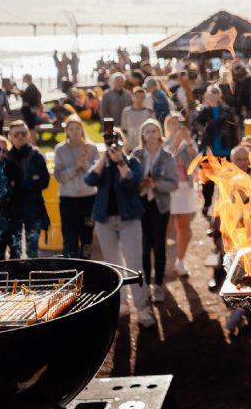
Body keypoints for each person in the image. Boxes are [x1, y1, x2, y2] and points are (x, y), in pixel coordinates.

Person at [84, 130, 153, 326]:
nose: (114, 148)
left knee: (134, 263)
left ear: (123, 145)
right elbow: (89, 180)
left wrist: (120, 161)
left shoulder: (132, 162)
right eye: (110, 144)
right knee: (114, 264)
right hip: (104, 220)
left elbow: (131, 183)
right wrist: (104, 157)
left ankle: (141, 308)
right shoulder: (101, 164)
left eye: (117, 144)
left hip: (129, 219)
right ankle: (122, 302)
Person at [131, 119, 179, 304]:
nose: (151, 134)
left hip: (160, 206)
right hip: (141, 204)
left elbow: (174, 183)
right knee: (144, 246)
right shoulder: (136, 154)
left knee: (159, 246)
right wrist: (140, 183)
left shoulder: (167, 157)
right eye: (147, 131)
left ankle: (158, 284)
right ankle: (144, 285)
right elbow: (129, 179)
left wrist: (155, 184)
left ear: (160, 133)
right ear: (142, 134)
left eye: (154, 131)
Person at [52, 115, 100, 260]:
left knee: (87, 238)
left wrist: (84, 164)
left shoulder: (91, 148)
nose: (74, 132)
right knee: (69, 238)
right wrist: (75, 167)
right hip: (68, 200)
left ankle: (87, 271)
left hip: (88, 199)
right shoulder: (60, 149)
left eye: (77, 128)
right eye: (71, 129)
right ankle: (70, 271)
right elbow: (58, 176)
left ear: (82, 129)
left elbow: (97, 174)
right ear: (66, 131)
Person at [3, 121, 51, 259]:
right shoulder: (6, 158)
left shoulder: (37, 155)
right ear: (10, 136)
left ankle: (33, 277)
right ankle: (16, 279)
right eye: (16, 134)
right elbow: (5, 185)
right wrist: (30, 180)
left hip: (34, 207)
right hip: (13, 209)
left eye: (23, 133)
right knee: (14, 249)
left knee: (32, 249)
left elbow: (45, 181)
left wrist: (16, 183)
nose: (20, 136)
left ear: (28, 135)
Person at [191, 85, 241, 215]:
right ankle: (207, 204)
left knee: (225, 181)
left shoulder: (226, 110)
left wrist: (235, 142)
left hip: (225, 150)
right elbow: (195, 125)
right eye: (210, 92)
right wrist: (203, 132)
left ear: (219, 95)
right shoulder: (203, 110)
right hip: (208, 151)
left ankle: (223, 206)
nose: (213, 95)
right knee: (207, 182)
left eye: (215, 92)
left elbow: (233, 127)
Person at [164, 114, 198, 277]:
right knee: (165, 228)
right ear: (167, 126)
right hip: (168, 190)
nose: (176, 127)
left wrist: (189, 142)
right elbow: (165, 160)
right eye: (172, 124)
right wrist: (176, 141)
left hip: (186, 188)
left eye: (178, 124)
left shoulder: (188, 142)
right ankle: (161, 260)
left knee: (183, 227)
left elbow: (195, 160)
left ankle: (181, 261)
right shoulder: (162, 143)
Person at [19, 74, 42, 143]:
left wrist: (21, 94)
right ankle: (31, 142)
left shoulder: (31, 87)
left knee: (31, 127)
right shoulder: (31, 87)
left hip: (30, 110)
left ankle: (33, 142)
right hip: (30, 110)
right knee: (30, 127)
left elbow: (29, 98)